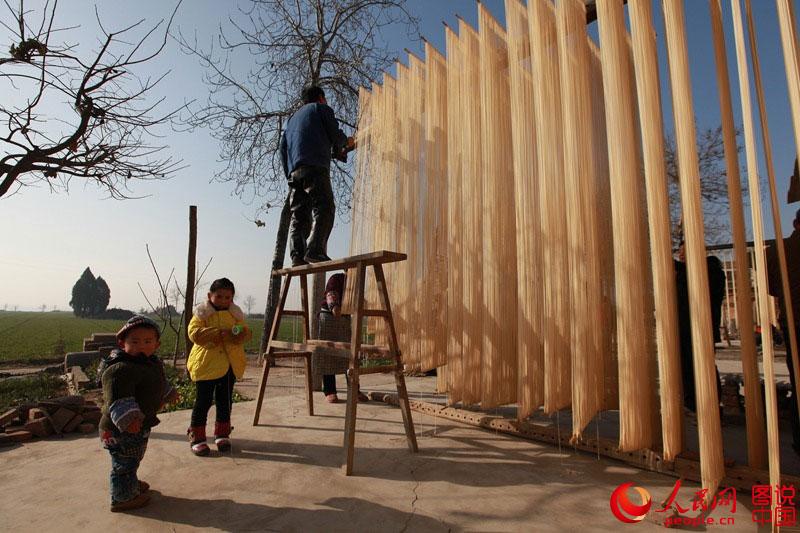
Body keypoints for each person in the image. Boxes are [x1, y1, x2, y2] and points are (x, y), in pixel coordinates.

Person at [100, 315, 177, 512]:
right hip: (120, 430)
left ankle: (130, 482)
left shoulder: (149, 363)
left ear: (156, 344)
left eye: (147, 341)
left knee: (133, 458)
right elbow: (118, 398)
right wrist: (128, 420)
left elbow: (155, 384)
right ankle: (122, 497)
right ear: (122, 343)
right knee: (124, 461)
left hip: (138, 426)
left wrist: (168, 393)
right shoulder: (121, 369)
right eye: (134, 341)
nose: (141, 346)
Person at [280, 85, 355, 266]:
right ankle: (315, 249)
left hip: (294, 172)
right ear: (321, 97)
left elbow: (283, 149)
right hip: (315, 167)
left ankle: (297, 256)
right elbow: (335, 134)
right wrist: (346, 142)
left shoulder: (291, 121)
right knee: (324, 207)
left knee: (299, 215)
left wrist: (289, 174)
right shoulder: (321, 109)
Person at [186, 277, 252, 456]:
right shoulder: (202, 313)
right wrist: (217, 333)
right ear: (210, 296)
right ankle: (197, 436)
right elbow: (193, 333)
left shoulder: (235, 314)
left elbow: (244, 331)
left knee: (225, 401)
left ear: (232, 298)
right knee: (203, 401)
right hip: (206, 365)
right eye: (219, 296)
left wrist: (235, 333)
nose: (223, 301)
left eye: (228, 297)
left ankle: (222, 434)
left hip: (229, 365)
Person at [674, 241, 725, 413]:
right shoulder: (684, 272)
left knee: (704, 364)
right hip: (683, 328)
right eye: (679, 251)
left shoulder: (711, 271)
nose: (680, 254)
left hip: (701, 327)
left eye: (684, 250)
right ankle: (693, 404)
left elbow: (698, 284)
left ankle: (710, 405)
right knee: (687, 366)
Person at [767, 208, 800, 453]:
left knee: (797, 379)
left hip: (794, 319)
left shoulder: (778, 251)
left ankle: (799, 437)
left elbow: (772, 288)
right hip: (792, 317)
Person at [314, 272, 368, 404]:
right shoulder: (337, 278)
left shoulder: (357, 282)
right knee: (328, 353)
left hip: (344, 317)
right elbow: (331, 294)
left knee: (349, 354)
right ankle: (330, 391)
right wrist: (335, 306)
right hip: (328, 316)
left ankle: (354, 390)